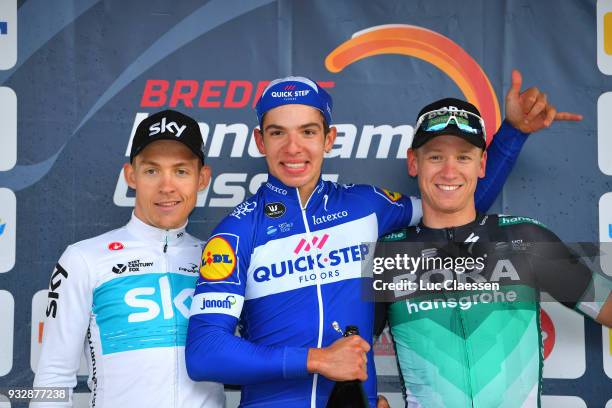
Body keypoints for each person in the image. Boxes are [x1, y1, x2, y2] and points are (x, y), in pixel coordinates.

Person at [185, 74, 579, 408]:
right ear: (259, 141)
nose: (293, 148)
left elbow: (452, 202)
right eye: (277, 133)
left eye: (307, 131)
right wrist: (316, 360)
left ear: (329, 138)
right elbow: (205, 354)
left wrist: (512, 134)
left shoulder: (366, 205)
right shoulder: (236, 231)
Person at [375, 97, 612, 407]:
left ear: (482, 164)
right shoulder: (388, 255)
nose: (449, 171)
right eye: (435, 157)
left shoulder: (525, 239)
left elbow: (606, 303)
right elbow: (349, 349)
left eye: (463, 157)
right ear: (413, 162)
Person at [33, 110, 225, 407]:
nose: (167, 186)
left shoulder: (218, 262)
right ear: (130, 175)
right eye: (152, 171)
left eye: (181, 171)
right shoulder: (83, 259)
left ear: (202, 178)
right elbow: (53, 377)